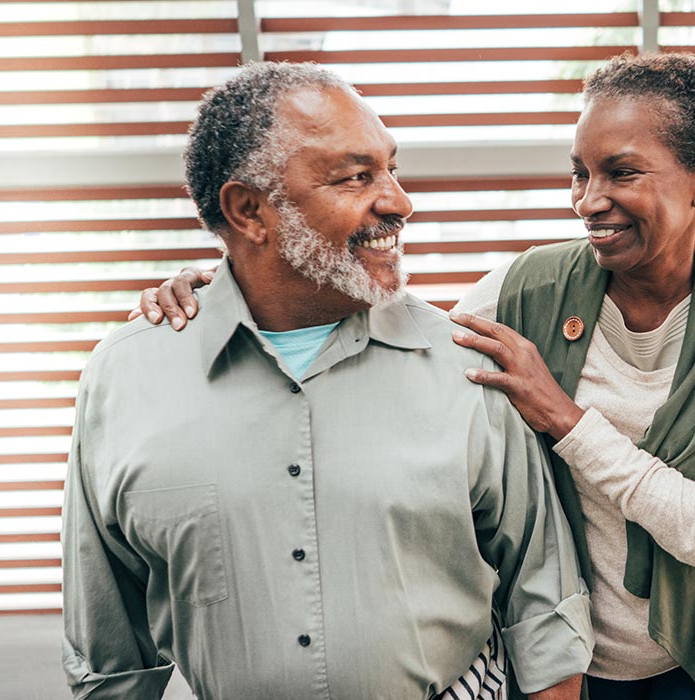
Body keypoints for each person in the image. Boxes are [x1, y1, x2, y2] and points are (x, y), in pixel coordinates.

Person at [137, 53, 695, 700]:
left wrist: (567, 421)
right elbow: (392, 328)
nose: (589, 201)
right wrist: (237, 288)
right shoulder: (530, 285)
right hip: (558, 657)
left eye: (622, 173)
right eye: (580, 174)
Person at [60, 62, 593, 700]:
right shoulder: (126, 377)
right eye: (355, 177)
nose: (399, 201)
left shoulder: (466, 366)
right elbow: (108, 648)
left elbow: (544, 599)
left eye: (392, 168)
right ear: (249, 211)